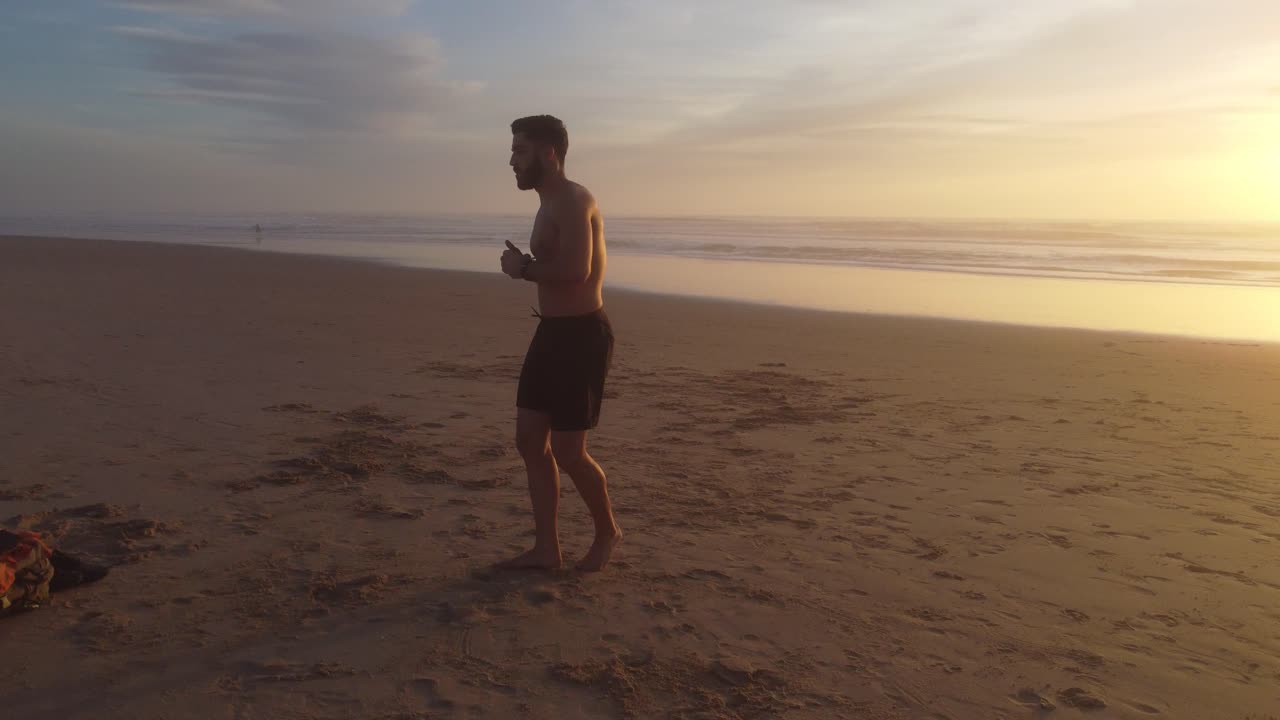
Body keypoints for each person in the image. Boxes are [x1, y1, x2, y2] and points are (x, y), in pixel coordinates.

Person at [498, 115, 621, 572]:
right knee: (530, 440)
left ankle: (608, 532)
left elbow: (577, 271)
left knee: (570, 452)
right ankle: (547, 549)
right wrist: (527, 265)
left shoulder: (572, 199)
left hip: (581, 338)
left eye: (520, 151)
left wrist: (522, 269)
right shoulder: (548, 201)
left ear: (549, 153)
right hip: (550, 333)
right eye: (513, 152)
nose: (512, 161)